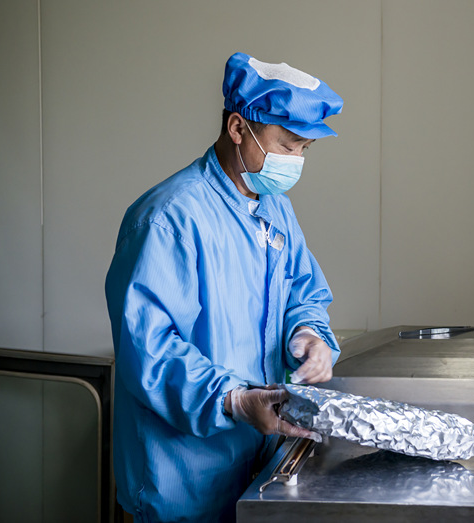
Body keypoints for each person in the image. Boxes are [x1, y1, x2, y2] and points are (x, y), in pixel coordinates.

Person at [105, 52, 343, 522]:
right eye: (289, 144)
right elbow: (148, 348)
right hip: (184, 478)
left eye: (305, 151)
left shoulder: (275, 209)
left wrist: (310, 336)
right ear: (239, 128)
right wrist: (231, 400)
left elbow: (304, 292)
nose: (296, 161)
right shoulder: (168, 219)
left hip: (259, 463)